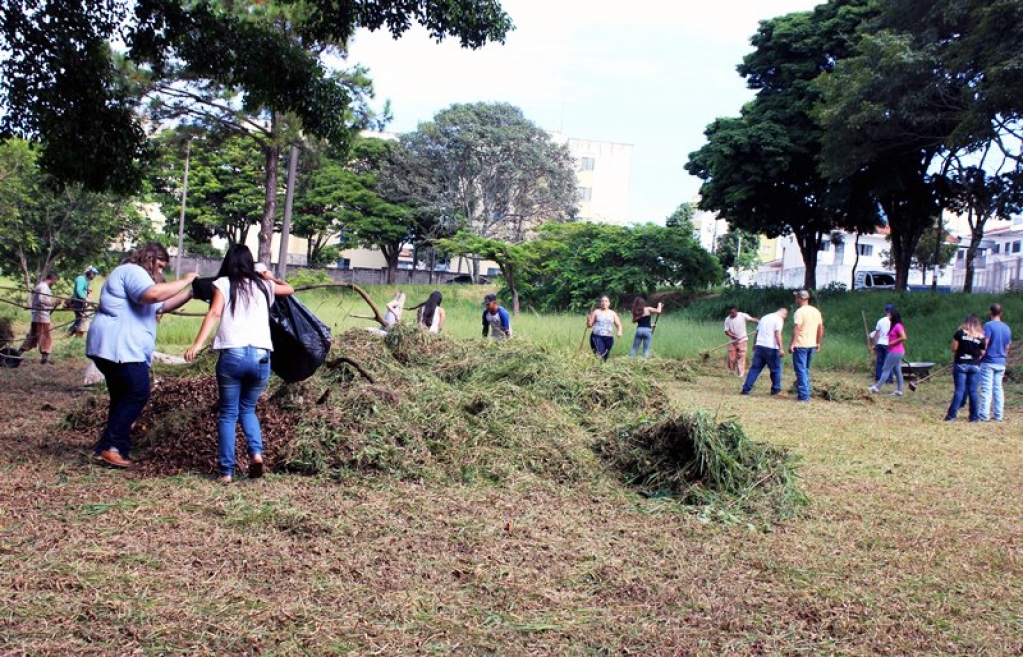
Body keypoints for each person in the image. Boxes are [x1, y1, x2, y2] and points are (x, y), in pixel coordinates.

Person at [185, 246, 295, 483]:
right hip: (261, 355)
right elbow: (289, 288)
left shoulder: (223, 283)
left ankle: (226, 472)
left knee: (228, 414)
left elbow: (214, 314)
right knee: (248, 409)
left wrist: (196, 345)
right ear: (250, 263)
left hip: (232, 355)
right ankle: (256, 454)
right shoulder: (264, 285)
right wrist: (269, 276)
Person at [87, 243, 198, 468]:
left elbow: (161, 304)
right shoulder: (133, 271)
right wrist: (186, 279)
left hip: (119, 348)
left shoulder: (138, 277)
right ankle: (111, 447)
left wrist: (191, 293)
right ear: (149, 258)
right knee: (138, 391)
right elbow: (151, 295)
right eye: (158, 266)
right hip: (119, 348)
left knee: (121, 396)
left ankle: (109, 448)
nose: (159, 272)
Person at [944, 314, 986, 422]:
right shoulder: (981, 337)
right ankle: (974, 418)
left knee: (959, 391)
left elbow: (954, 348)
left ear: (965, 323)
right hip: (975, 366)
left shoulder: (960, 333)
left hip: (961, 364)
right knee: (973, 392)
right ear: (977, 325)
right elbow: (982, 352)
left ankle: (951, 416)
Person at [741, 308, 788, 396]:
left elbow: (757, 332)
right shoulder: (778, 319)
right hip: (771, 348)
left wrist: (754, 344)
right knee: (776, 369)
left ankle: (745, 389)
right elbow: (777, 334)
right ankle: (776, 390)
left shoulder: (764, 317)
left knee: (754, 369)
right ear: (784, 314)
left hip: (759, 346)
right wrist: (781, 348)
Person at [978, 303, 1013, 422]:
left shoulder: (988, 325)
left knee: (986, 389)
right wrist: (1003, 358)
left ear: (990, 312)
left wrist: (979, 355)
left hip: (988, 361)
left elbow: (985, 343)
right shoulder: (1006, 327)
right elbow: (1007, 347)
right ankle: (998, 415)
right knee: (998, 388)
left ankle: (984, 415)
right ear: (1001, 313)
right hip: (1001, 361)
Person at [789, 289, 824, 403]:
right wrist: (818, 342)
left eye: (796, 297)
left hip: (801, 344)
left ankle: (804, 396)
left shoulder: (799, 312)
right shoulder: (816, 311)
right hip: (811, 345)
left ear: (800, 299)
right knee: (805, 370)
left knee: (801, 370)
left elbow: (797, 328)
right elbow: (820, 327)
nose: (796, 299)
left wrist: (793, 344)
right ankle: (805, 392)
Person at [19, 271, 60, 364]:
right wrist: (54, 302)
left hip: (39, 316)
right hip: (41, 316)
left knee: (32, 337)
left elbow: (43, 301)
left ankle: (17, 354)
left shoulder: (42, 286)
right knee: (46, 337)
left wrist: (53, 304)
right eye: (55, 281)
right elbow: (42, 300)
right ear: (52, 279)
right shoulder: (43, 287)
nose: (55, 283)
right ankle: (45, 359)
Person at [869, 308, 907, 396]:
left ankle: (876, 388)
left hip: (895, 352)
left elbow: (903, 337)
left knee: (886, 369)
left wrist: (892, 343)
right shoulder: (893, 325)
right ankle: (899, 390)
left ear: (893, 316)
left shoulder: (898, 325)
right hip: (896, 351)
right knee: (897, 370)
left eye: (889, 314)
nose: (888, 316)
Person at [723, 306, 759, 376]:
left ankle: (741, 373)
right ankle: (732, 372)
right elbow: (726, 331)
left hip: (742, 340)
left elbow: (752, 319)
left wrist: (759, 322)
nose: (731, 314)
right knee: (731, 358)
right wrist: (733, 336)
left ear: (736, 311)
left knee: (741, 357)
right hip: (732, 341)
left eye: (732, 312)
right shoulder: (727, 319)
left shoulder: (742, 315)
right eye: (730, 312)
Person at [587, 295, 623, 361]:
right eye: (602, 301)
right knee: (601, 356)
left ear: (609, 303)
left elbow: (619, 325)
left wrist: (619, 331)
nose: (604, 303)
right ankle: (598, 369)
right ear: (600, 303)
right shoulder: (596, 312)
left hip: (608, 338)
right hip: (596, 336)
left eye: (606, 301)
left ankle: (600, 369)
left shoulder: (612, 313)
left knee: (605, 357)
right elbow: (589, 325)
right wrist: (588, 320)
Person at [69, 266, 99, 337]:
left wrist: (87, 291)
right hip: (78, 301)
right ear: (89, 273)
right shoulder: (81, 279)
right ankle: (70, 333)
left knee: (80, 319)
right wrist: (86, 299)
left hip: (82, 301)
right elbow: (79, 291)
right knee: (80, 318)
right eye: (93, 274)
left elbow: (83, 290)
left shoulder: (86, 280)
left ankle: (75, 334)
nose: (94, 276)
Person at [870, 303, 896, 383]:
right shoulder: (894, 321)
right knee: (888, 363)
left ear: (885, 311)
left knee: (879, 362)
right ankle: (889, 380)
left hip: (880, 344)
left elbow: (877, 334)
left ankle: (878, 378)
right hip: (889, 344)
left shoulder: (880, 321)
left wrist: (874, 344)